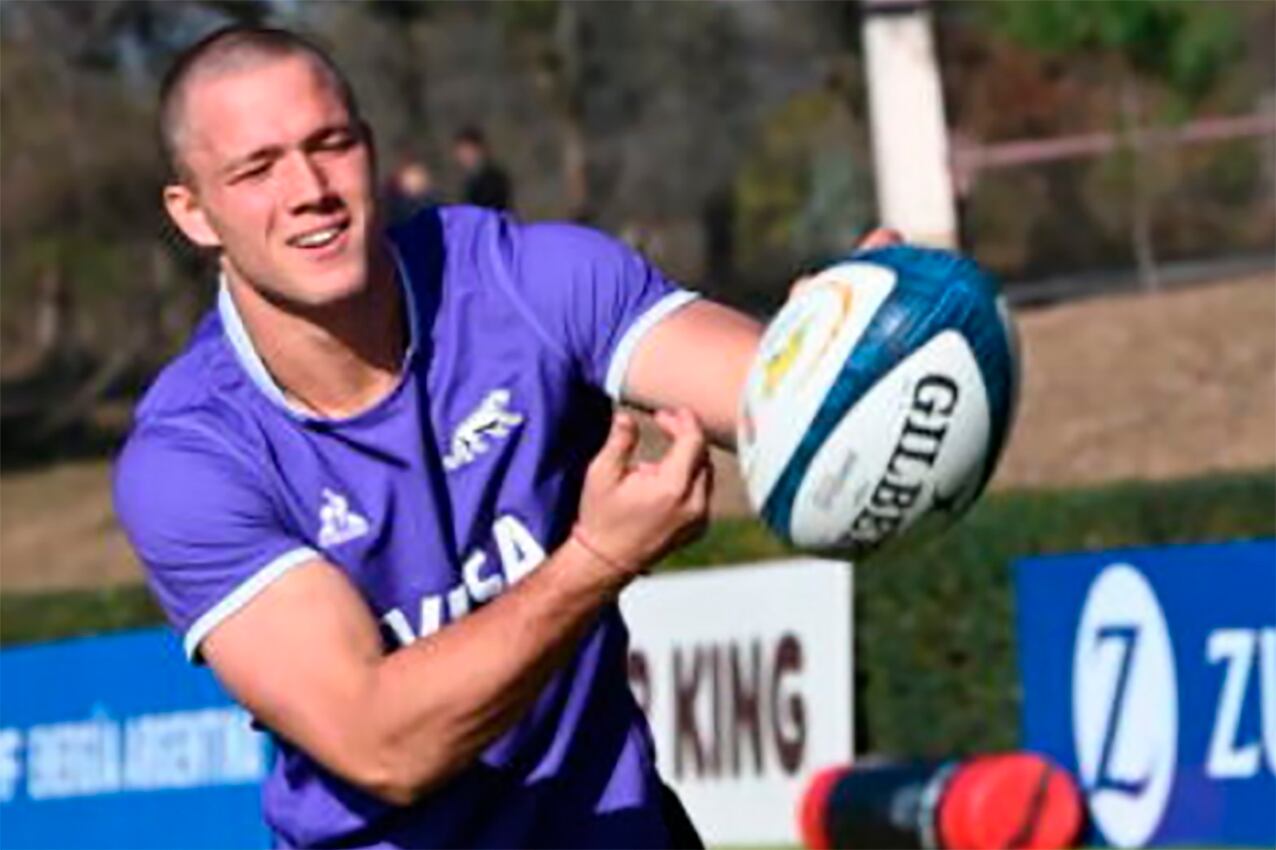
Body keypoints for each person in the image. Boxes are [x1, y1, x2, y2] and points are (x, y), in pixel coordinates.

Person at [114, 25, 897, 849]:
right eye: (256, 169)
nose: (309, 187)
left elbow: (768, 395)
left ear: (369, 150)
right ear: (193, 212)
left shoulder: (524, 280)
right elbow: (382, 742)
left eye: (330, 144)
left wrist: (844, 355)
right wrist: (594, 560)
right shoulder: (190, 459)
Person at [452, 124, 513, 211]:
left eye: (467, 151)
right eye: (461, 152)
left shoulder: (492, 177)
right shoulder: (470, 180)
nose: (463, 156)